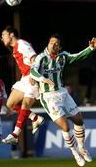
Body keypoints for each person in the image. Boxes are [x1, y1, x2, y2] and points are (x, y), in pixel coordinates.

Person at [30, 34, 96, 166]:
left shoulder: (63, 56)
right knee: (65, 126)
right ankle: (75, 152)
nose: (53, 44)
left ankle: (82, 148)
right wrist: (43, 79)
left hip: (62, 93)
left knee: (79, 119)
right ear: (48, 44)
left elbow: (77, 57)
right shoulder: (41, 58)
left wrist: (91, 48)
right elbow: (33, 71)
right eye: (51, 42)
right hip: (48, 97)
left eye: (56, 43)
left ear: (59, 47)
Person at [1, 26, 44, 144]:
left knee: (25, 105)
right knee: (10, 104)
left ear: (11, 35)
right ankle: (35, 118)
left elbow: (35, 58)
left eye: (3, 35)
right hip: (24, 78)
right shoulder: (15, 48)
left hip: (32, 77)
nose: (2, 38)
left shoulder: (22, 44)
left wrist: (33, 75)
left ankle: (15, 135)